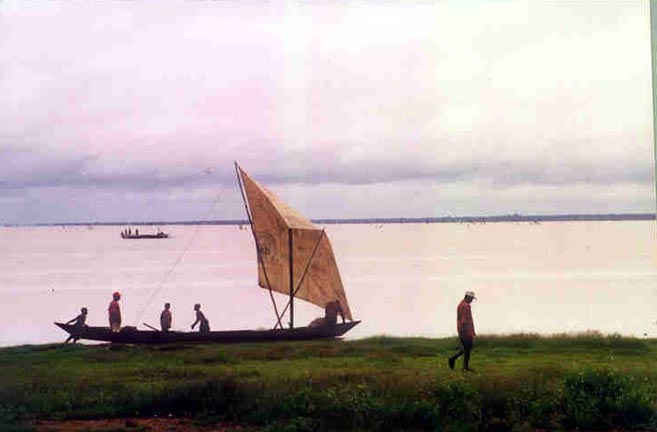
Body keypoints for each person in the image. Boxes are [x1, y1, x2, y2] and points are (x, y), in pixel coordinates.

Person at [448, 291, 476, 371]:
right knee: (468, 348)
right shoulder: (465, 306)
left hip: (462, 331)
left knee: (466, 348)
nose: (472, 301)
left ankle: (453, 360)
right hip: (465, 331)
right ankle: (464, 367)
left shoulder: (461, 304)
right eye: (471, 299)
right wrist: (469, 332)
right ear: (468, 297)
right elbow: (464, 321)